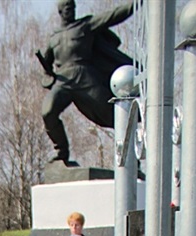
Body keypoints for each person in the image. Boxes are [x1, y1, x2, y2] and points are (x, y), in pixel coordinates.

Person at [37, 0, 134, 166]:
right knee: (48, 112)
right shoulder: (54, 38)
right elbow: (47, 67)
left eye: (73, 8)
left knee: (114, 114)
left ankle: (132, 159)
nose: (71, 11)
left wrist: (135, 4)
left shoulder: (85, 25)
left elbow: (112, 16)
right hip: (63, 81)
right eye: (67, 8)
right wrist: (47, 75)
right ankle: (61, 153)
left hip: (84, 75)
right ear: (60, 11)